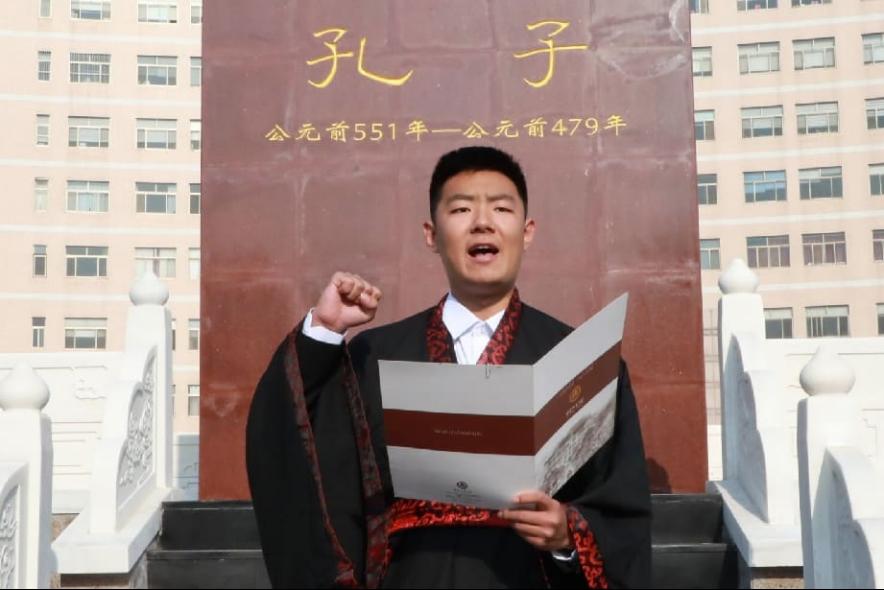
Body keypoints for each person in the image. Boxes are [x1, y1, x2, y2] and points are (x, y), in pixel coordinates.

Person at [246, 146, 651, 589]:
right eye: (460, 209)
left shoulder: (582, 361)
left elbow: (621, 508)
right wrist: (323, 332)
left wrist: (568, 534)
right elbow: (301, 449)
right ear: (432, 234)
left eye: (501, 208)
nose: (482, 222)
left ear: (527, 231)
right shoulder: (375, 354)